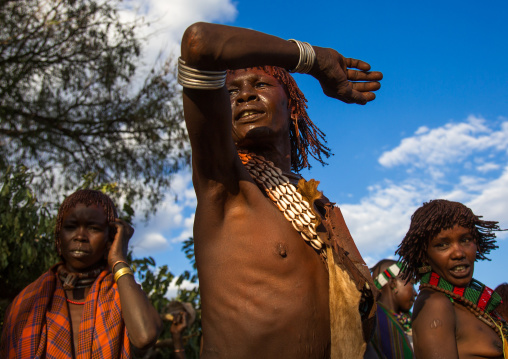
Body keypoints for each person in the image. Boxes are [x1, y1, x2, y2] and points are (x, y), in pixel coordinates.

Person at [180, 22, 383, 358]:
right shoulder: (224, 185)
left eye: (260, 84)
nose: (245, 95)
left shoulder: (321, 210)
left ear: (292, 106)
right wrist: (311, 59)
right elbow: (200, 44)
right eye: (231, 91)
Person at [1, 189, 162, 358]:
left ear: (111, 237)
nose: (80, 236)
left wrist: (119, 260)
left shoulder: (123, 295)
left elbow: (145, 336)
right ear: (58, 237)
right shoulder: (27, 301)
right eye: (71, 227)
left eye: (93, 228)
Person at [396, 199, 508, 359]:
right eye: (442, 245)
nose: (458, 253)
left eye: (465, 240)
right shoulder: (436, 305)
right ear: (424, 255)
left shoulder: (471, 304)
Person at [368, 259, 415, 359]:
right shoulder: (374, 321)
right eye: (411, 282)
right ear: (393, 283)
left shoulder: (408, 320)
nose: (415, 293)